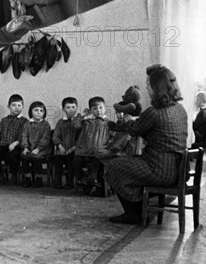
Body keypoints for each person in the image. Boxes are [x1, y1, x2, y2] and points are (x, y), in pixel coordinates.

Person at [105, 64, 188, 225]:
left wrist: (122, 121)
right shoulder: (180, 109)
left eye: (148, 85)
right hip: (178, 170)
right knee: (128, 165)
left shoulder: (154, 112)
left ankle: (133, 215)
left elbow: (135, 129)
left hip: (159, 170)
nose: (147, 89)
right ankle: (140, 211)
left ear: (157, 88)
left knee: (114, 166)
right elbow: (159, 132)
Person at [73, 96, 112, 196]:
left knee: (97, 162)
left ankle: (92, 179)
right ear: (91, 110)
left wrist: (107, 147)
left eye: (100, 108)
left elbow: (112, 137)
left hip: (97, 153)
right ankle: (83, 180)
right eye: (95, 108)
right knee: (76, 161)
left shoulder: (108, 123)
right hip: (84, 152)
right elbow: (75, 125)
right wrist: (83, 115)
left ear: (105, 109)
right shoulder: (87, 121)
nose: (98, 110)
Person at [0, 94, 28, 184]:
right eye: (13, 105)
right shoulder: (4, 120)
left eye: (19, 105)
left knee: (11, 157)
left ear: (23, 107)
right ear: (8, 107)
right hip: (2, 145)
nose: (16, 108)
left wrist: (14, 144)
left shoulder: (24, 121)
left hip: (16, 146)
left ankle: (13, 174)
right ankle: (0, 174)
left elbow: (23, 136)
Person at [20, 101, 52, 188]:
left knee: (36, 158)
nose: (39, 112)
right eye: (36, 110)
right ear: (31, 112)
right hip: (29, 147)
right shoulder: (27, 124)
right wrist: (25, 147)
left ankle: (38, 178)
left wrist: (38, 149)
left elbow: (45, 139)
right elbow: (24, 136)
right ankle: (27, 178)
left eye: (41, 111)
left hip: (42, 149)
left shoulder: (46, 125)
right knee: (24, 157)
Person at [52, 97, 82, 189]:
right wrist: (60, 146)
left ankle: (70, 182)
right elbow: (55, 136)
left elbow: (82, 138)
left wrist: (73, 148)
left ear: (77, 107)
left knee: (70, 160)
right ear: (63, 109)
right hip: (62, 148)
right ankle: (58, 181)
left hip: (74, 149)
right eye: (68, 107)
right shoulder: (61, 122)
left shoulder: (80, 121)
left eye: (73, 107)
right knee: (57, 159)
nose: (70, 110)